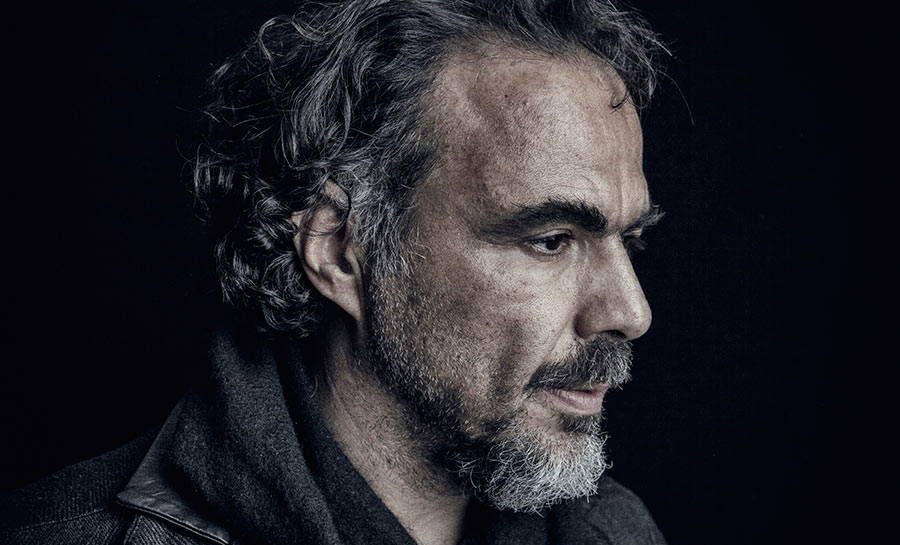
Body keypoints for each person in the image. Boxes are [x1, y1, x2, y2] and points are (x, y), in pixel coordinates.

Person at [1, 1, 668, 543]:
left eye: (629, 239)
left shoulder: (614, 531)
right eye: (551, 240)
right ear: (340, 248)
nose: (630, 312)